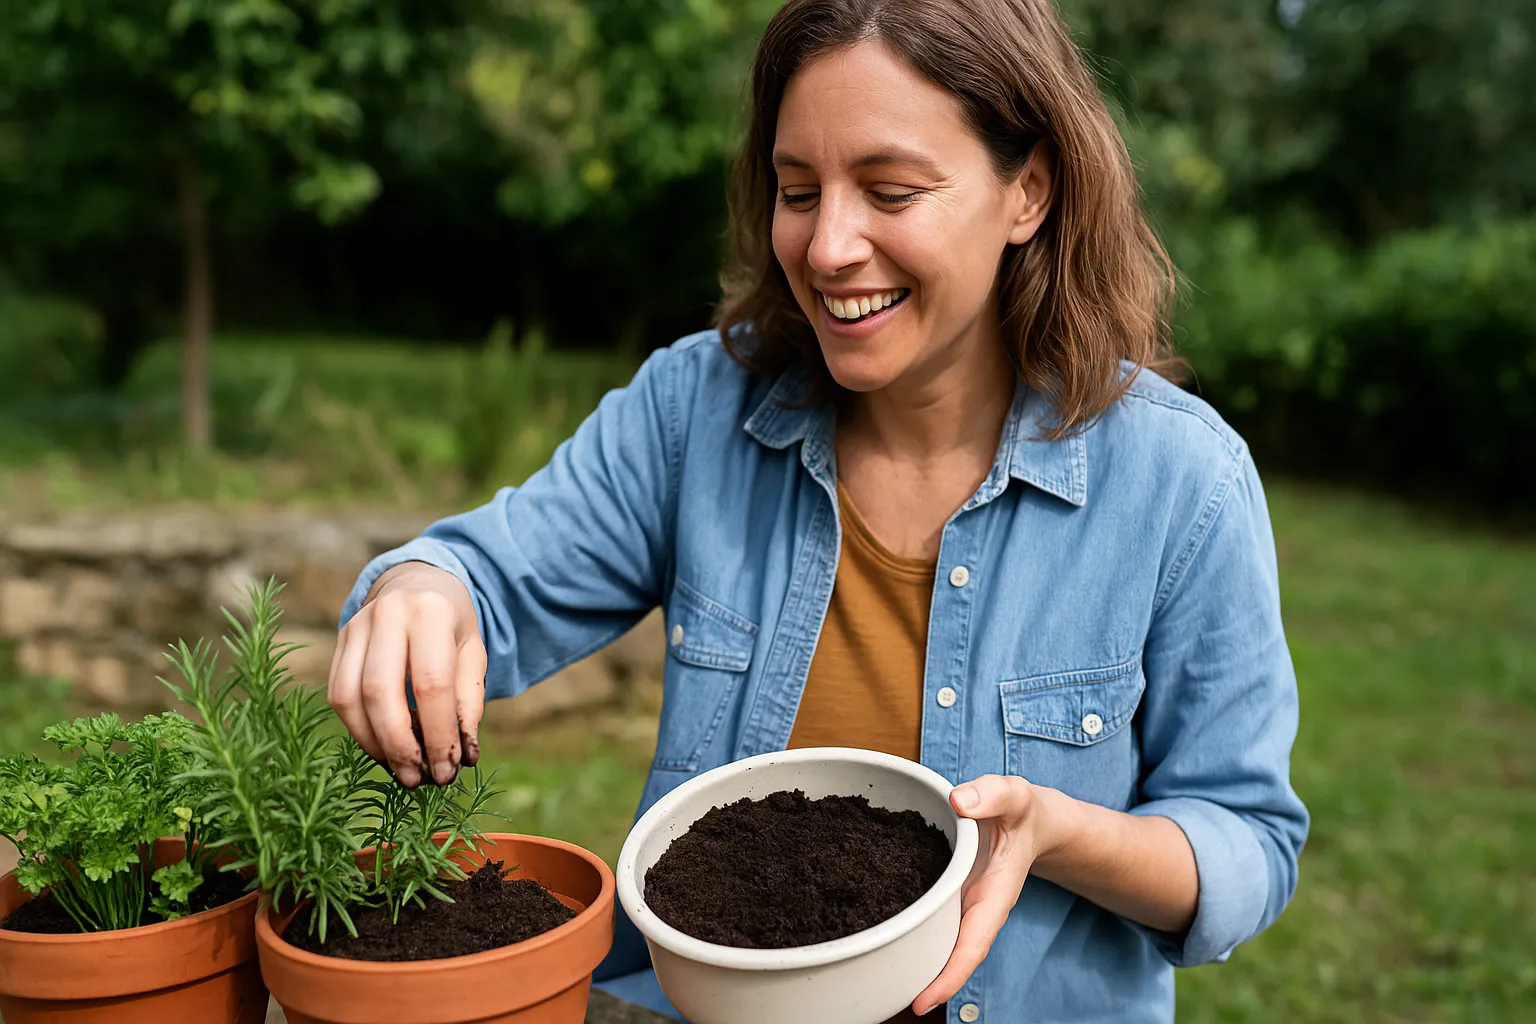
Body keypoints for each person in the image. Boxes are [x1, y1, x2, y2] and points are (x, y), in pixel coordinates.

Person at [330, 0, 1309, 1020]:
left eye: (889, 190)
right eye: (798, 191)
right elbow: (490, 574)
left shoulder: (1180, 480)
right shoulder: (695, 412)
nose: (829, 245)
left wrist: (1060, 832)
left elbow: (1247, 843)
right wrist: (420, 587)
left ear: (1029, 189)